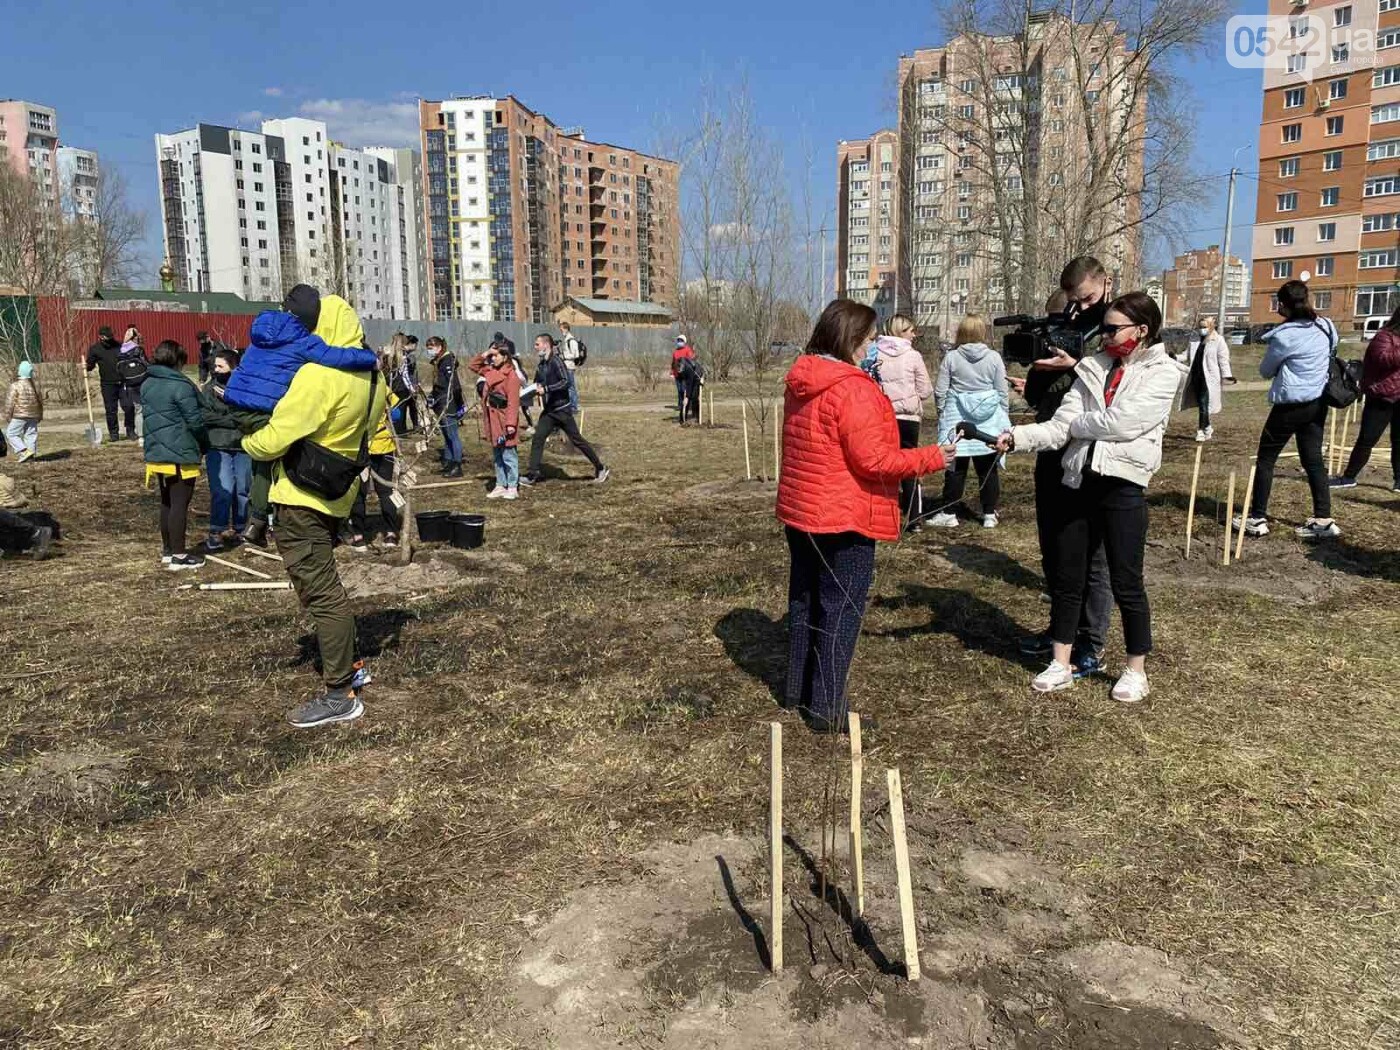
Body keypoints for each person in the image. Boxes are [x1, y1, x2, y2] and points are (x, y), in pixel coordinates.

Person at [996, 292, 1185, 703]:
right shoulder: (1095, 367)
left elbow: (1124, 422)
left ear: (1142, 330)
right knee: (1068, 578)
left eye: (1114, 329)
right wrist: (1019, 436)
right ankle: (1060, 662)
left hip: (1123, 485)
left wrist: (1079, 425)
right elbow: (1061, 424)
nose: (1106, 337)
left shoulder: (1164, 372)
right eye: (1105, 329)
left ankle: (1136, 669)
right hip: (1078, 480)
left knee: (1126, 581)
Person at [777, 299, 953, 734]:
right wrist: (933, 457)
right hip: (842, 515)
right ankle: (825, 709)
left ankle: (796, 689)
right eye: (871, 340)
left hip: (803, 510)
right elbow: (873, 461)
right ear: (851, 340)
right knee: (841, 610)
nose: (874, 348)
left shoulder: (803, 378)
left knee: (806, 599)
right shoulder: (851, 388)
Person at [243, 299, 386, 729]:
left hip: (301, 498)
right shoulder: (373, 378)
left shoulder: (320, 376)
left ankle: (340, 692)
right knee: (324, 588)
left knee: (323, 594)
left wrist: (246, 441)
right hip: (337, 494)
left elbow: (274, 439)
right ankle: (350, 662)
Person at [1012, 257, 1115, 679]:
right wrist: (1037, 373)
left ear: (1104, 284)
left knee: (1091, 557)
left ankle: (1091, 641)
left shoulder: (1116, 327)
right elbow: (1043, 397)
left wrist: (1075, 366)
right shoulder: (1068, 324)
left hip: (1092, 453)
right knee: (1054, 547)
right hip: (1052, 446)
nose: (1080, 308)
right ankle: (1062, 630)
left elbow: (1116, 393)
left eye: (1087, 298)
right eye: (1074, 302)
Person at [221, 285, 379, 546]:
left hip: (239, 404)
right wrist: (369, 359)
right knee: (272, 450)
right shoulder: (317, 361)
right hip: (324, 479)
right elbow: (333, 355)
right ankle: (260, 518)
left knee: (264, 460)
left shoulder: (261, 336)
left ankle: (257, 519)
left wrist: (249, 442)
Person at [1235, 280, 1340, 540]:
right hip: (1317, 403)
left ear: (1283, 305)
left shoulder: (1284, 336)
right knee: (1314, 461)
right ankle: (1323, 518)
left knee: (1266, 459)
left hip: (1289, 405)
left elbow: (1265, 370)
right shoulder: (1326, 326)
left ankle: (1257, 517)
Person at [929, 314, 1008, 529]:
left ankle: (949, 512)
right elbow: (1002, 391)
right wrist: (1004, 417)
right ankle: (989, 514)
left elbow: (940, 390)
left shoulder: (952, 358)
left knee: (956, 467)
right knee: (987, 469)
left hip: (957, 418)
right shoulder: (994, 358)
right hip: (989, 420)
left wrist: (941, 412)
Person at [141, 340, 209, 571]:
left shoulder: (148, 383)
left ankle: (169, 550)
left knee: (167, 501)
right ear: (177, 360)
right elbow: (195, 421)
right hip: (179, 453)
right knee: (180, 503)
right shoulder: (180, 386)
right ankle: (179, 556)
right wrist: (205, 443)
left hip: (157, 453)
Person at [523, 334, 609, 485]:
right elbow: (538, 382)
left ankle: (600, 468)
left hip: (562, 410)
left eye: (537, 344)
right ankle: (532, 474)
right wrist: (532, 389)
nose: (535, 347)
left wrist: (547, 389)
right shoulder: (542, 364)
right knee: (538, 438)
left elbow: (566, 382)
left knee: (577, 440)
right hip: (549, 411)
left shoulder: (556, 361)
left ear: (546, 345)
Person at [1332, 304, 1400, 492]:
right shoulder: (1384, 337)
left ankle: (1399, 481)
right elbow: (1383, 359)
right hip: (1382, 396)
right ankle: (1349, 476)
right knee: (1367, 439)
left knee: (1399, 440)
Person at [875, 314, 933, 530]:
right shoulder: (913, 355)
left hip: (882, 417)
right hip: (908, 418)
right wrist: (913, 397)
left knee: (884, 465)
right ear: (900, 332)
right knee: (909, 465)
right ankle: (915, 518)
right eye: (910, 330)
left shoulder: (874, 352)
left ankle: (882, 518)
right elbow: (926, 389)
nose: (914, 335)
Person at [198, 349, 253, 552]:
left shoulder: (246, 388)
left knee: (243, 489)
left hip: (242, 445)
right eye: (215, 366)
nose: (216, 370)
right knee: (223, 489)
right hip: (217, 445)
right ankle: (216, 530)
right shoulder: (208, 389)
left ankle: (241, 528)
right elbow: (205, 415)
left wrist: (231, 400)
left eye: (221, 366)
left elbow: (248, 414)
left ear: (234, 367)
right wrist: (231, 420)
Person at [348, 355, 403, 550]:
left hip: (360, 447)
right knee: (386, 490)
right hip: (384, 445)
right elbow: (396, 413)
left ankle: (358, 535)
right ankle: (390, 533)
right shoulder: (382, 387)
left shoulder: (352, 389)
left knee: (358, 492)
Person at [470, 342, 522, 499]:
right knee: (497, 454)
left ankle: (512, 486)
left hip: (504, 418)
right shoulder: (491, 370)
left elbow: (513, 402)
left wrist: (511, 424)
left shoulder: (511, 376)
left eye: (496, 355)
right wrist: (486, 353)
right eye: (491, 356)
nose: (492, 358)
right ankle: (500, 484)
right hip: (492, 417)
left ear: (505, 357)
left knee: (508, 454)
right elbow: (473, 365)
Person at [1178, 315, 1234, 442]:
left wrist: (1227, 376)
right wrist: (1174, 357)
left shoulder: (1218, 340)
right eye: (1200, 327)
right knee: (1202, 405)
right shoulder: (1194, 340)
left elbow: (1223, 359)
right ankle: (1208, 427)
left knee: (1204, 404)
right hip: (1196, 376)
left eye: (1204, 327)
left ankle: (1200, 430)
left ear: (1211, 326)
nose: (1201, 329)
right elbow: (1186, 356)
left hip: (1209, 378)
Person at [425, 336, 465, 477]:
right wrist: (432, 397)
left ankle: (457, 465)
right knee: (446, 435)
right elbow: (439, 385)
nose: (429, 351)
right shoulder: (439, 362)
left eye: (431, 348)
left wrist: (459, 404)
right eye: (428, 348)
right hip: (440, 403)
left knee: (453, 435)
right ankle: (448, 461)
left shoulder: (447, 362)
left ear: (440, 347)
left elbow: (454, 386)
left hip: (448, 404)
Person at [85, 325, 124, 441]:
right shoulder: (95, 349)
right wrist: (86, 366)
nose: (110, 340)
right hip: (108, 384)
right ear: (101, 337)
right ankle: (114, 433)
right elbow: (90, 365)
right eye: (107, 338)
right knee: (111, 409)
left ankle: (130, 430)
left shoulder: (119, 346)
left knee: (128, 406)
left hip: (122, 382)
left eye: (111, 337)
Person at [3, 361, 44, 462]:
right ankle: (30, 457)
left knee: (11, 433)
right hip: (33, 415)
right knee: (30, 435)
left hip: (19, 415)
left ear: (20, 372)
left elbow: (10, 402)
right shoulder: (34, 387)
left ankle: (23, 451)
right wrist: (40, 415)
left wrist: (7, 415)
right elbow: (40, 403)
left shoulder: (15, 386)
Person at [113, 327, 149, 440]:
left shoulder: (121, 351)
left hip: (129, 383)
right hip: (142, 381)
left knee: (138, 409)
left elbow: (119, 369)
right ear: (135, 337)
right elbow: (146, 364)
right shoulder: (138, 349)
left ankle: (140, 436)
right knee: (145, 408)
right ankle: (148, 433)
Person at [559, 321, 584, 413]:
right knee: (567, 386)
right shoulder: (566, 340)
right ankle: (570, 405)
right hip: (566, 366)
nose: (561, 331)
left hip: (570, 366)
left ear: (566, 329)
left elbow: (576, 354)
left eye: (561, 329)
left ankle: (574, 406)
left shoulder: (571, 341)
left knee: (571, 387)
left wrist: (565, 357)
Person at [671, 335, 696, 421]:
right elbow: (673, 363)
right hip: (677, 375)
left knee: (685, 390)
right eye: (678, 340)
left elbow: (692, 360)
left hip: (686, 376)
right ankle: (682, 406)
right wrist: (672, 372)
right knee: (680, 391)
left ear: (684, 341)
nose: (679, 342)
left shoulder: (687, 350)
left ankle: (687, 406)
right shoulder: (675, 352)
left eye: (681, 340)